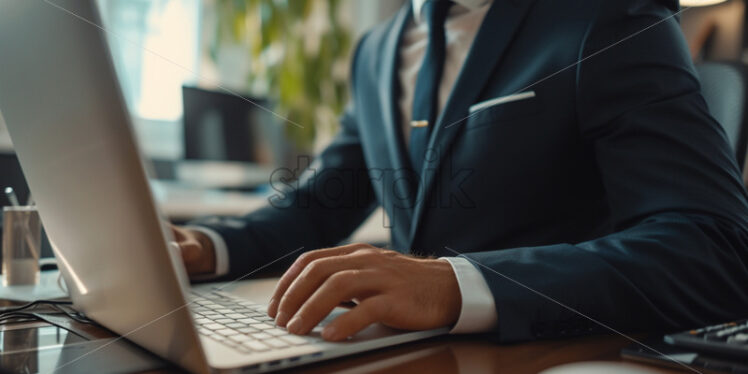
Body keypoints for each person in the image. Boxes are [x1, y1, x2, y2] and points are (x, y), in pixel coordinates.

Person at [173, 0, 748, 343]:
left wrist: (455, 284)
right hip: (403, 353)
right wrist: (207, 244)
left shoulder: (606, 16)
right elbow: (323, 201)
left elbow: (716, 249)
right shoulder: (376, 50)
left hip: (544, 352)